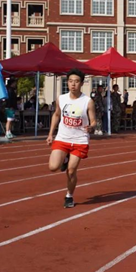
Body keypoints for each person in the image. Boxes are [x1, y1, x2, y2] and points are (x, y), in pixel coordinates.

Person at [47, 69, 96, 208]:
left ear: (81, 83)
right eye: (70, 81)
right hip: (63, 138)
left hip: (80, 140)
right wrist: (50, 134)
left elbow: (93, 121)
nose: (73, 84)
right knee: (53, 167)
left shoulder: (88, 101)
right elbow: (57, 115)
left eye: (76, 81)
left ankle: (69, 196)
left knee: (71, 170)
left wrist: (91, 127)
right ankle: (65, 158)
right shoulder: (61, 98)